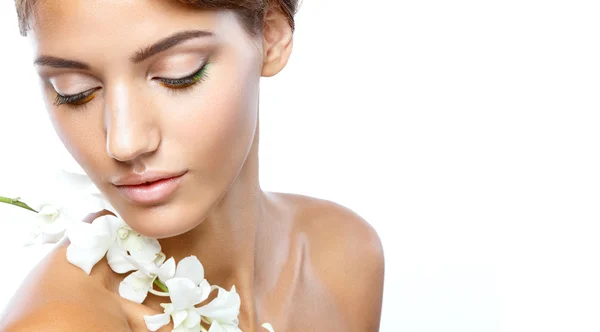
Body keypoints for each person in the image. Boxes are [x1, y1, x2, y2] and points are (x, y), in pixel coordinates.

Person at [0, 0, 385, 331]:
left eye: (177, 74)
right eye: (74, 91)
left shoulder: (344, 254)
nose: (124, 142)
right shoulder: (58, 322)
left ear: (270, 35)